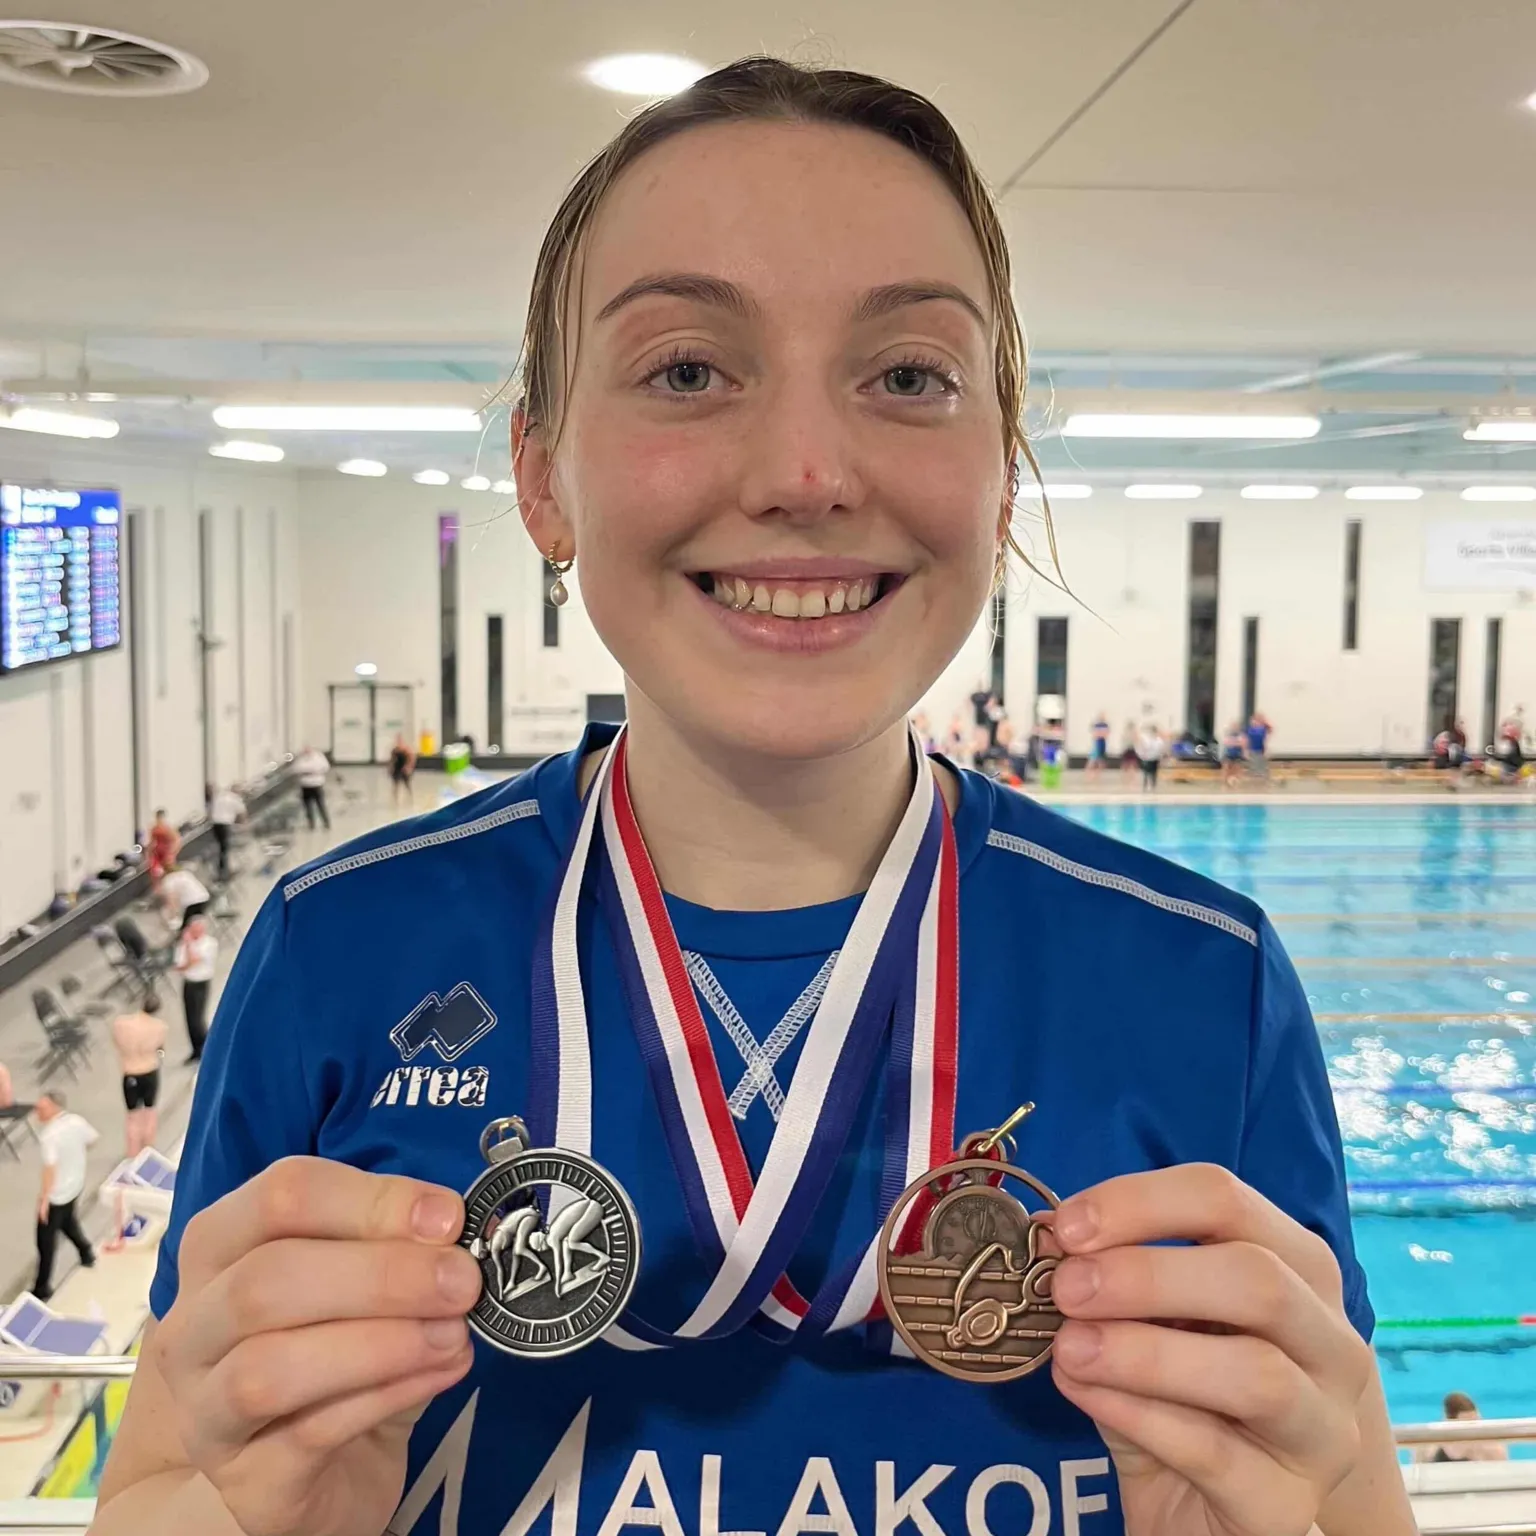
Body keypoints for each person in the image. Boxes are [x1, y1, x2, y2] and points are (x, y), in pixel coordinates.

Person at [97, 58, 1411, 1536]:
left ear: (1001, 471)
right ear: (541, 474)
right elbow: (163, 1482)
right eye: (686, 371)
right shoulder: (340, 948)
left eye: (910, 375)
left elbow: (1341, 1485)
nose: (807, 471)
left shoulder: (1203, 984)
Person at [33, 1092, 98, 1301]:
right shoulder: (76, 1122)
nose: (37, 1113)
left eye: (42, 1108)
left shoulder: (49, 1136)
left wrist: (43, 1200)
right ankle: (86, 1251)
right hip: (75, 1186)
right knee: (68, 1222)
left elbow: (49, 1170)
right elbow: (92, 1140)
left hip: (57, 1194)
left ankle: (42, 1286)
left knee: (45, 1241)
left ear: (54, 1107)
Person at [111, 1000, 168, 1156]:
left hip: (130, 1072)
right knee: (149, 1113)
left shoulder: (121, 1024)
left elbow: (116, 1043)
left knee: (132, 1116)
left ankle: (132, 1153)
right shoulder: (159, 1027)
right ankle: (148, 1151)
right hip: (149, 1070)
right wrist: (158, 1057)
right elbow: (160, 1050)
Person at [1412, 1391, 1509, 1463]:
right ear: (1448, 1422)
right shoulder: (1427, 1445)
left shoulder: (1491, 1446)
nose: (1472, 1431)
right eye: (1466, 1426)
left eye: (1476, 1423)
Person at [174, 914, 218, 1063]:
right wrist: (187, 945)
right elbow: (180, 966)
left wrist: (188, 945)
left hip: (201, 983)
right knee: (189, 1019)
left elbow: (193, 961)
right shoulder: (183, 945)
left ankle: (207, 1049)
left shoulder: (210, 944)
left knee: (198, 1019)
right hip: (188, 983)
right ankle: (196, 1049)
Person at [208, 784, 247, 880]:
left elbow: (210, 809)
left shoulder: (220, 796)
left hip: (215, 824)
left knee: (220, 846)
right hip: (225, 824)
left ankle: (220, 869)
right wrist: (243, 825)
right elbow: (242, 814)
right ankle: (224, 870)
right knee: (225, 848)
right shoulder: (235, 798)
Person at [157, 862, 210, 931]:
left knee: (186, 928)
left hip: (191, 902)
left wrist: (173, 914)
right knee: (196, 922)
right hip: (204, 897)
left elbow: (172, 898)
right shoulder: (184, 873)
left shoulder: (168, 880)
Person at [294, 744, 333, 829]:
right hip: (305, 785)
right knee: (308, 806)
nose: (306, 751)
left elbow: (325, 767)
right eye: (305, 750)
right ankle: (311, 824)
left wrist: (311, 770)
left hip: (316, 784)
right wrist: (309, 770)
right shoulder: (301, 759)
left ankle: (326, 823)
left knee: (320, 804)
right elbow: (297, 768)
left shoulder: (318, 757)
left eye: (308, 749)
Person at [145, 809, 180, 885]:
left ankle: (172, 885)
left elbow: (176, 840)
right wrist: (149, 851)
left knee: (168, 868)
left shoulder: (168, 828)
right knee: (155, 871)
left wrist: (172, 852)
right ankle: (159, 887)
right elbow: (152, 840)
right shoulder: (154, 828)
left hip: (167, 851)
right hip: (157, 851)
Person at [1135, 719, 1167, 790]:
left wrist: (1161, 757)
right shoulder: (1147, 739)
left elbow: (1161, 749)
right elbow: (1143, 747)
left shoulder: (1159, 740)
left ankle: (1153, 784)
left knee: (1154, 772)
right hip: (1148, 757)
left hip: (1155, 758)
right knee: (1146, 772)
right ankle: (1146, 784)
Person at [388, 733, 418, 807]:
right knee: (395, 784)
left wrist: (408, 767)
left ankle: (410, 798)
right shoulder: (394, 750)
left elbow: (411, 759)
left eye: (400, 740)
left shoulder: (406, 750)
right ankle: (395, 800)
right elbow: (392, 760)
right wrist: (390, 768)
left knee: (407, 784)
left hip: (404, 769)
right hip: (397, 768)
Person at [1245, 710, 1273, 778]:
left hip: (1261, 750)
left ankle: (1263, 779)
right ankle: (1255, 779)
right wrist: (1245, 751)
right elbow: (1246, 740)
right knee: (1254, 766)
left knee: (1263, 766)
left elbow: (1266, 739)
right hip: (1252, 750)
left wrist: (1266, 750)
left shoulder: (1263, 729)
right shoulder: (1249, 729)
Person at [1221, 719, 1247, 788]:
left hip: (1237, 754)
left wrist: (1234, 743)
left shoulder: (1241, 735)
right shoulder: (1228, 734)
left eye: (1236, 726)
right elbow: (1226, 743)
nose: (1234, 727)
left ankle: (1237, 783)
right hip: (1229, 753)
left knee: (1237, 769)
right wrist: (1236, 743)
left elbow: (1243, 744)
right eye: (1233, 726)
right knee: (1226, 768)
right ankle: (1225, 782)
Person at [1087, 711, 1109, 777]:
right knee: (1093, 760)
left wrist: (1101, 734)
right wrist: (1100, 734)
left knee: (1101, 761)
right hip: (1097, 743)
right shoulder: (1097, 725)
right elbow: (1096, 735)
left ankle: (1096, 775)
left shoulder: (1105, 725)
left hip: (1103, 743)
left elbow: (1105, 734)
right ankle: (1089, 774)